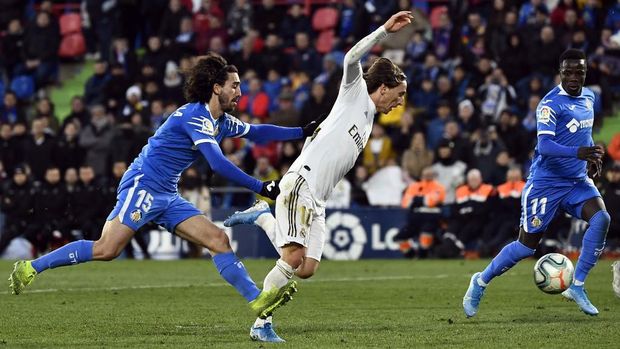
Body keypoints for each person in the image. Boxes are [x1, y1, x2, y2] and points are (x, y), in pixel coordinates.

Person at [8, 53, 320, 322]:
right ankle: (30, 267)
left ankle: (257, 298)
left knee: (218, 239)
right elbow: (217, 164)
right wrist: (261, 186)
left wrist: (302, 131)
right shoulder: (195, 117)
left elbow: (258, 132)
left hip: (167, 193)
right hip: (143, 184)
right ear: (216, 88)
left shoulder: (220, 119)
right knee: (107, 249)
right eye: (234, 85)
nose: (240, 91)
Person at [224, 11, 412, 342]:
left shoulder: (368, 122)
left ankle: (263, 219)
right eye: (397, 96)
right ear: (382, 88)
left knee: (306, 268)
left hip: (319, 198)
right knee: (292, 256)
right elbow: (352, 56)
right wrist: (384, 30)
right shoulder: (353, 94)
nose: (398, 104)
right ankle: (261, 324)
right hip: (302, 182)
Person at [463, 49, 610, 317]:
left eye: (579, 72)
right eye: (569, 72)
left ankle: (577, 285)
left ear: (586, 72)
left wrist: (591, 157)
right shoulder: (550, 104)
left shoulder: (590, 97)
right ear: (560, 72)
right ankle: (480, 281)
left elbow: (584, 135)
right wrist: (578, 152)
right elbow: (545, 145)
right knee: (525, 247)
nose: (574, 77)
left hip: (577, 180)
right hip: (545, 183)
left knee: (601, 219)